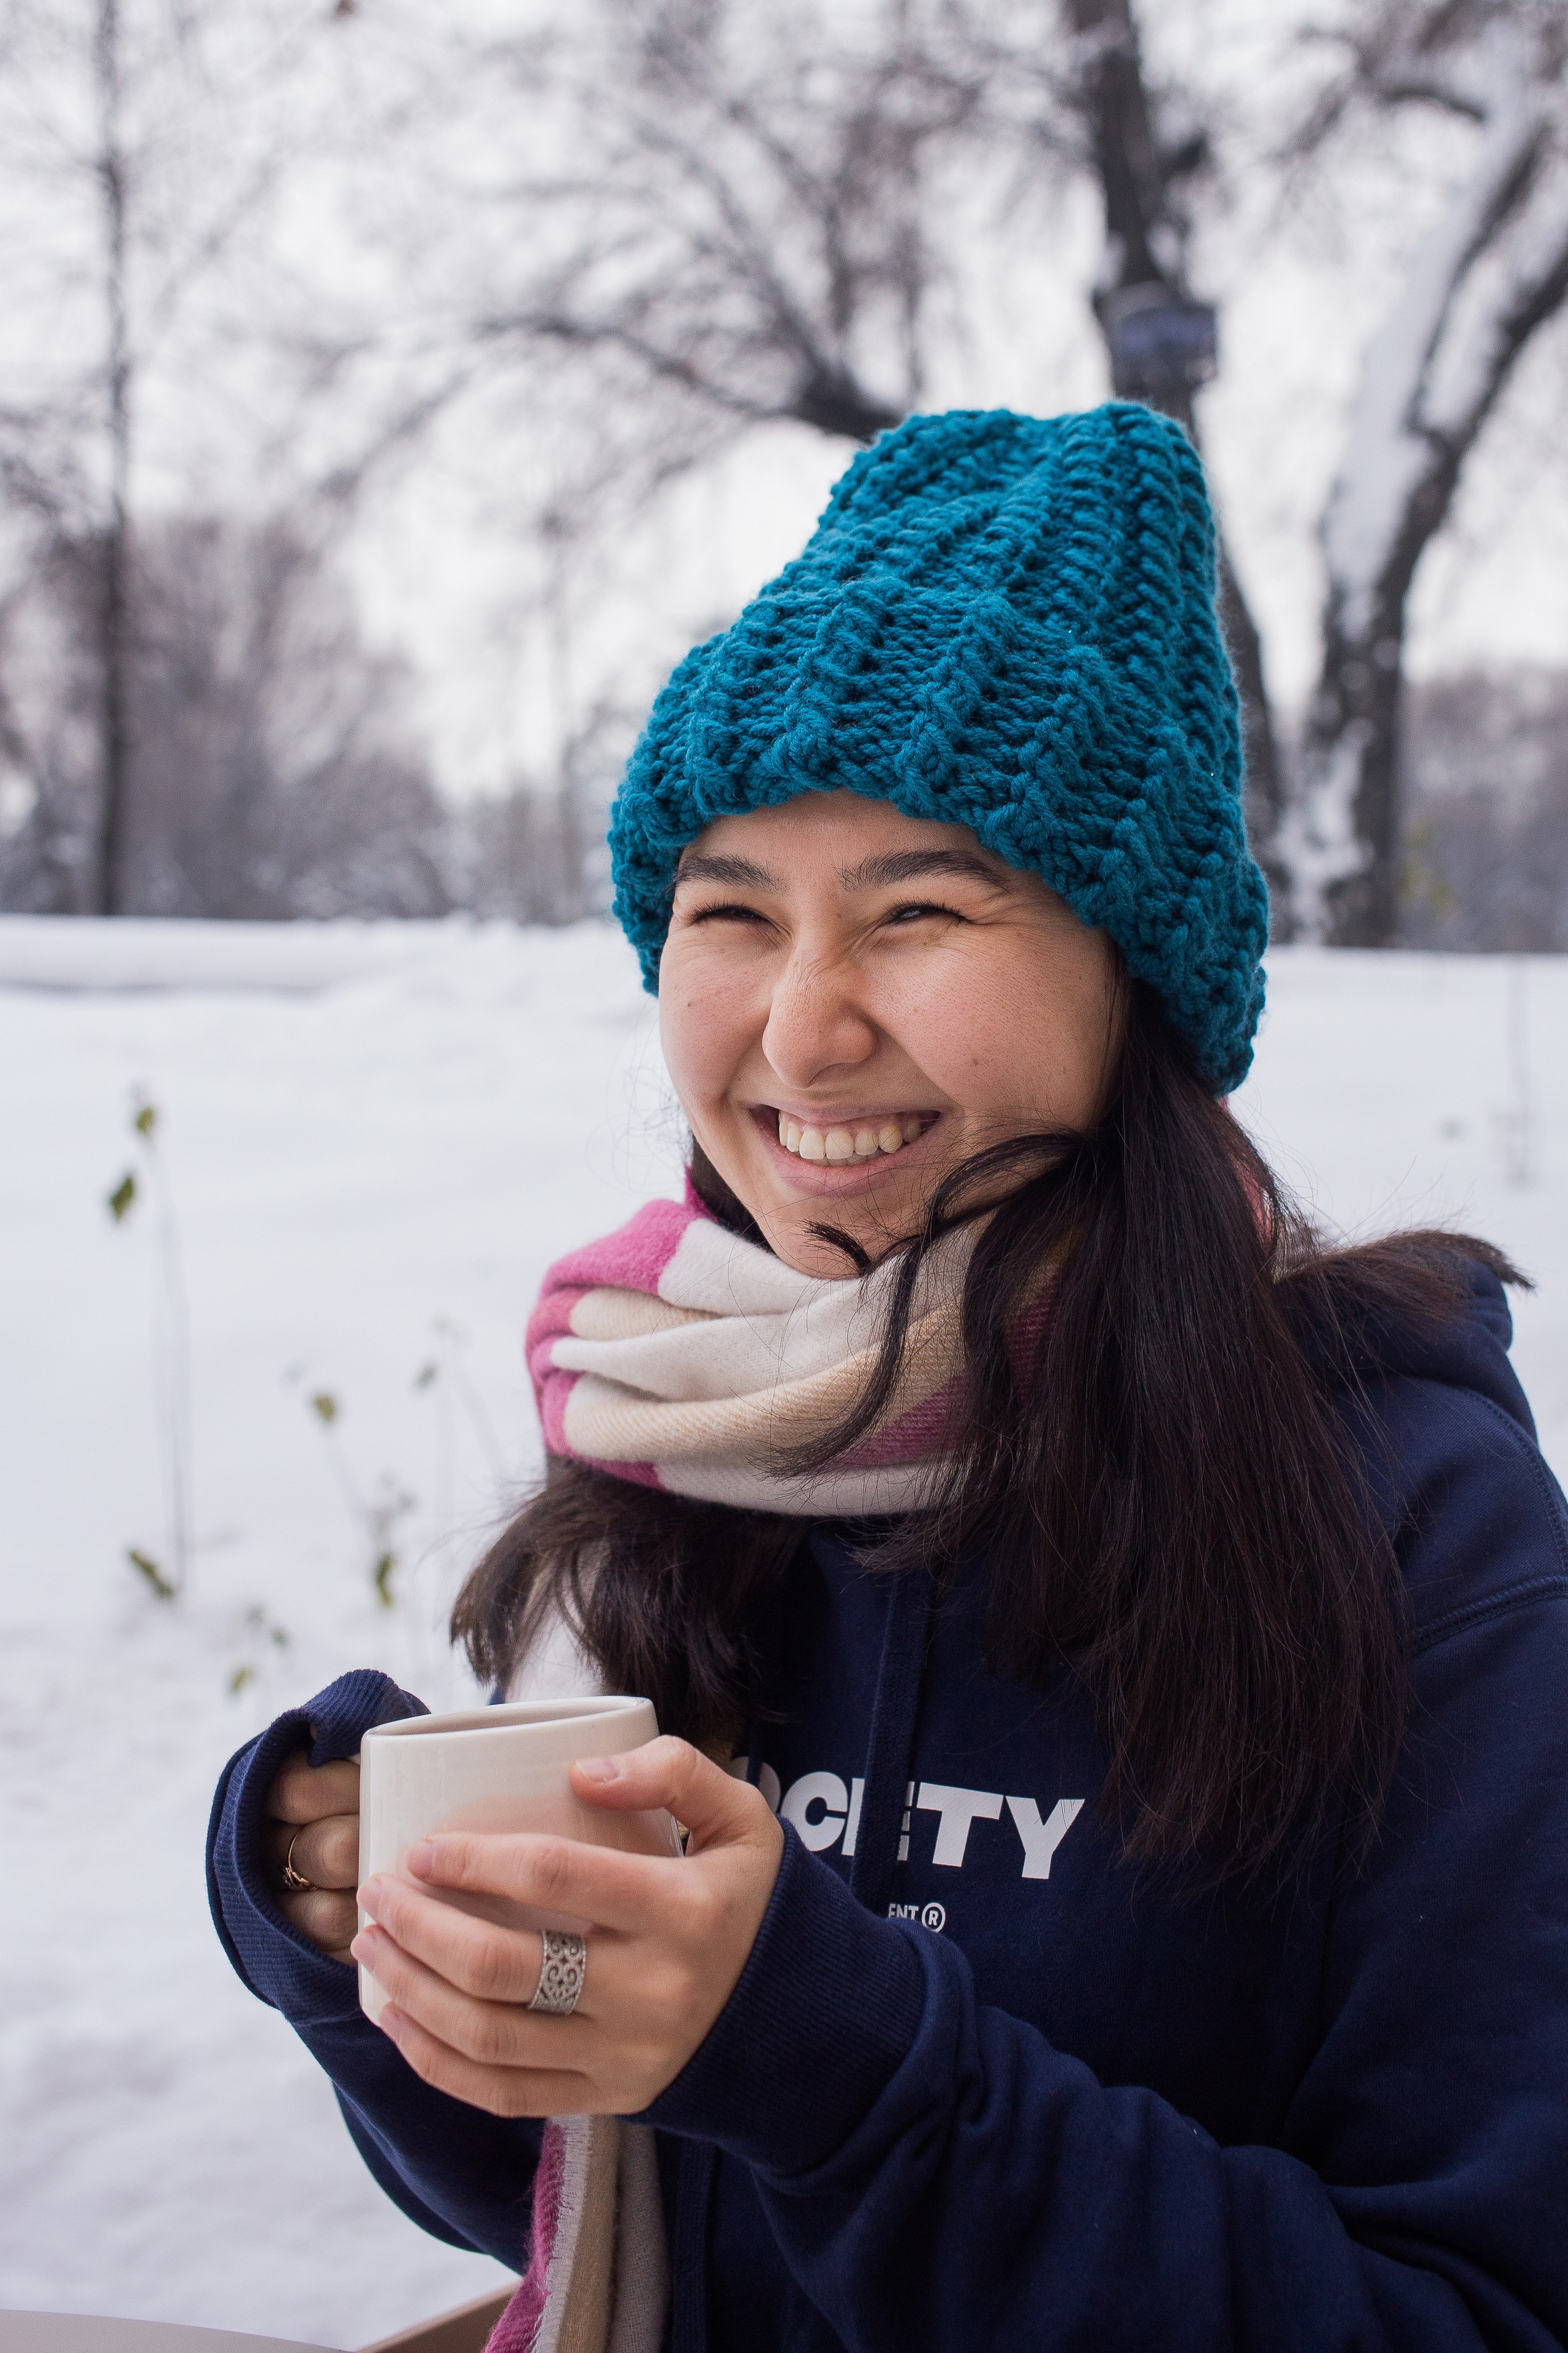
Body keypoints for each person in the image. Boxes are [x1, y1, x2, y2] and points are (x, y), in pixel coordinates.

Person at [207, 405, 1568, 2353]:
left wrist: (836, 2060)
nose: (802, 1024)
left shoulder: (1419, 1534)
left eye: (919, 911)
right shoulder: (682, 1432)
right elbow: (598, 2185)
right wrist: (370, 1943)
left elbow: (1480, 2314)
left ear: (1135, 983)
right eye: (730, 911)